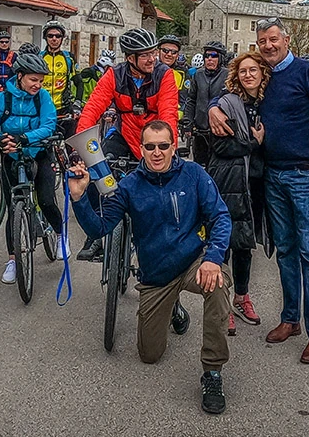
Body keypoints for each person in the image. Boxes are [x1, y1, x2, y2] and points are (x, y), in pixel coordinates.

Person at [68, 120, 233, 415]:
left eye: (163, 146)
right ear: (141, 148)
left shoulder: (194, 174)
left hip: (194, 261)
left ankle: (212, 372)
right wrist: (79, 198)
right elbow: (99, 228)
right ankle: (173, 307)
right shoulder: (129, 186)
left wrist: (213, 257)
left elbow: (220, 216)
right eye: (150, 146)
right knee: (149, 354)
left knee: (218, 285)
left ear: (174, 146)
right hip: (157, 274)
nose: (157, 152)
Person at [209, 17, 309, 365]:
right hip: (273, 175)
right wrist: (213, 107)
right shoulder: (265, 77)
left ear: (286, 40)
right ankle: (290, 319)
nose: (268, 45)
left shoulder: (308, 72)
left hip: (307, 174)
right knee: (284, 250)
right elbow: (234, 93)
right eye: (262, 41)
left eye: (273, 39)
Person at [74, 28, 181, 261]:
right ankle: (95, 236)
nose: (152, 58)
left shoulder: (165, 75)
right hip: (124, 135)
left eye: (153, 53)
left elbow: (168, 114)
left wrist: (167, 146)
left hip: (153, 137)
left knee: (164, 187)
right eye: (145, 55)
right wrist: (81, 146)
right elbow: (92, 109)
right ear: (130, 58)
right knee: (96, 174)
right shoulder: (114, 75)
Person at [0, 53, 64, 282]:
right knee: (12, 208)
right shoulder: (2, 99)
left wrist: (25, 138)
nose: (38, 85)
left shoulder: (43, 98)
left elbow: (49, 125)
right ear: (19, 76)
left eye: (41, 81)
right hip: (11, 156)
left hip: (39, 153)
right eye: (33, 80)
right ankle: (12, 260)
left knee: (46, 200)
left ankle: (61, 235)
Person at [209, 51, 268, 335]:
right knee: (224, 243)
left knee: (244, 244)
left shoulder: (267, 103)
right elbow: (221, 147)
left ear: (262, 73)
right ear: (236, 75)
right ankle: (222, 306)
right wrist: (253, 144)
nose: (248, 75)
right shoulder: (227, 104)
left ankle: (241, 298)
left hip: (256, 181)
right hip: (230, 180)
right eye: (243, 70)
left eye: (253, 70)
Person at [185, 40, 228, 166]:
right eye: (207, 56)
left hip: (220, 131)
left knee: (218, 166)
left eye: (214, 56)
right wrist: (188, 123)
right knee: (199, 165)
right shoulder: (198, 75)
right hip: (200, 130)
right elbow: (191, 100)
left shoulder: (228, 75)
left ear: (220, 58)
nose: (209, 59)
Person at [40, 20, 83, 138]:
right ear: (45, 38)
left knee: (69, 143)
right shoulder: (39, 57)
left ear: (62, 38)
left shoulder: (69, 58)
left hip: (63, 109)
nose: (54, 39)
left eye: (58, 36)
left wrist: (77, 104)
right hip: (43, 107)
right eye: (50, 36)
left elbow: (79, 82)